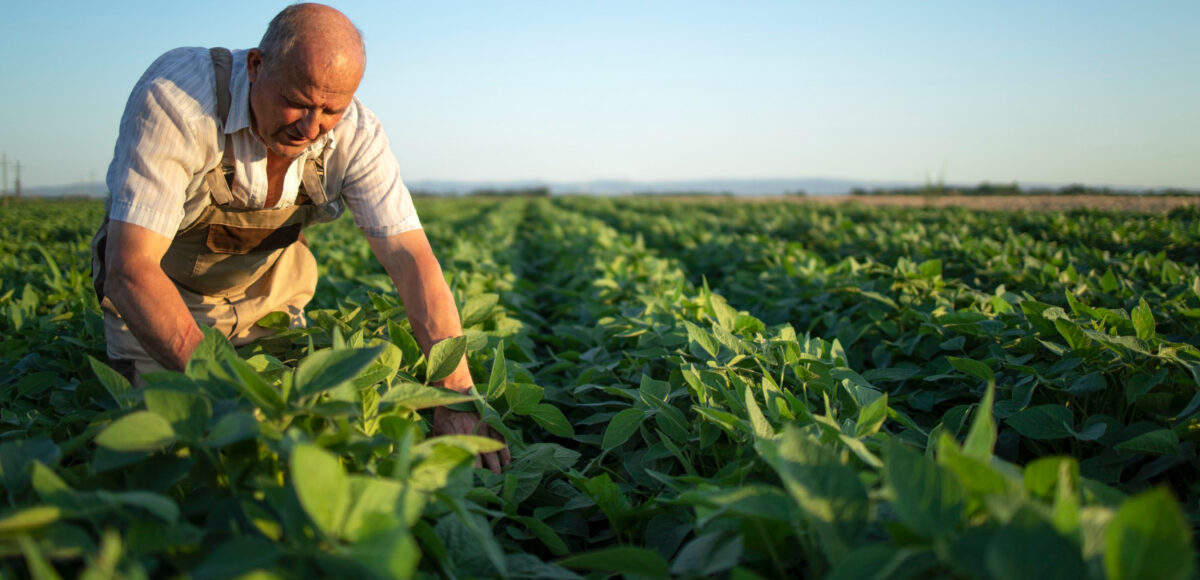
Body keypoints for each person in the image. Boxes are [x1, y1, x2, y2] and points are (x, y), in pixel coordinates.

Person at [89, 3, 509, 472]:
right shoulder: (178, 99)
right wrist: (234, 394)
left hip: (269, 298)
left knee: (309, 449)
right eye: (298, 101)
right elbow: (130, 271)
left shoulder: (358, 134)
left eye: (331, 109)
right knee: (177, 457)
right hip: (161, 304)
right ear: (256, 66)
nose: (311, 127)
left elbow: (410, 259)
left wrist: (453, 395)